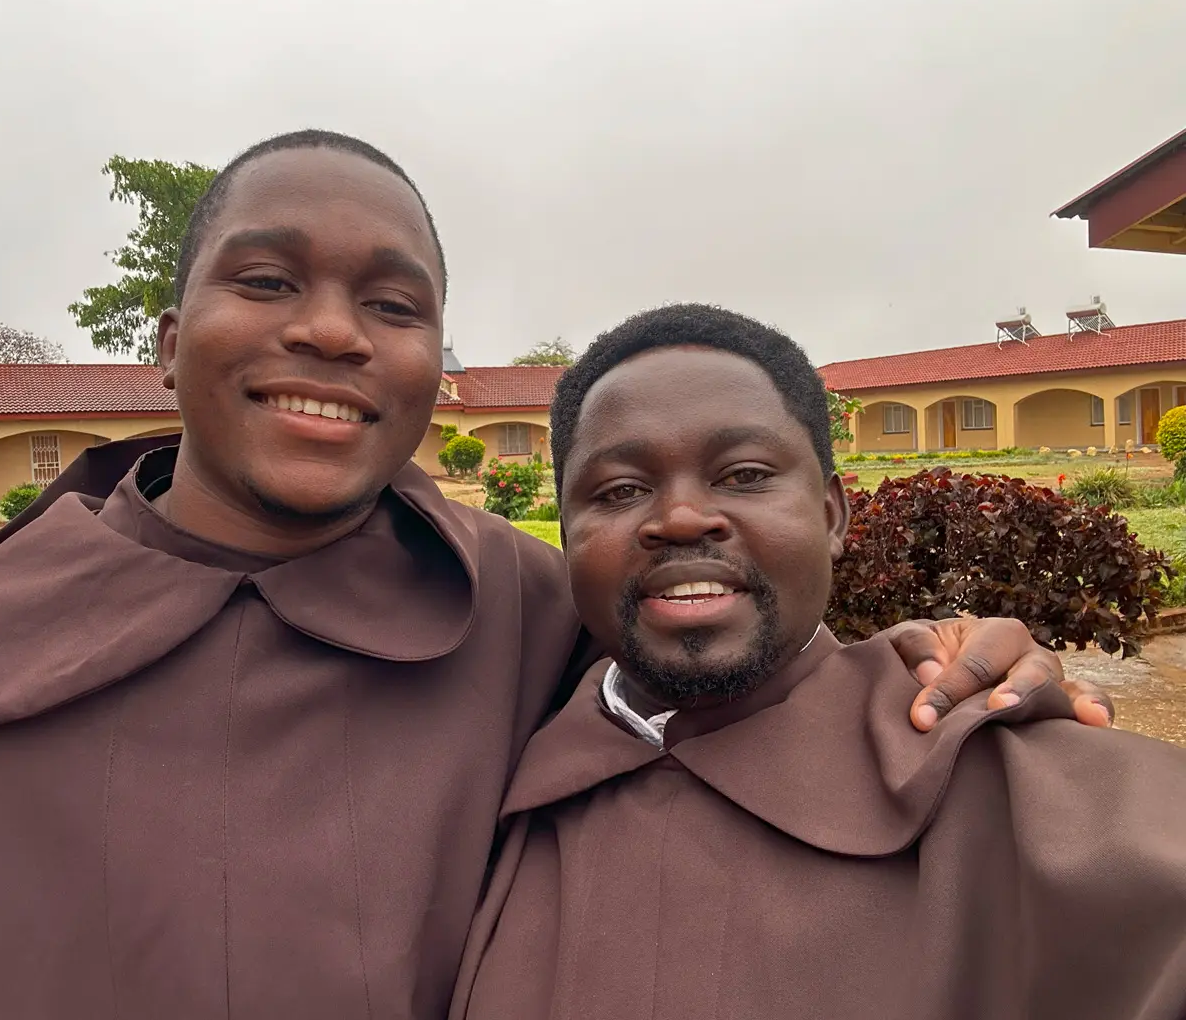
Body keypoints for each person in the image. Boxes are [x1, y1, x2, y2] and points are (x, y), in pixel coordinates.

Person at [0, 136, 1113, 1020]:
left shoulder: (525, 608)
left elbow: (753, 688)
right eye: (265, 280)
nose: (332, 332)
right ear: (165, 340)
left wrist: (946, 666)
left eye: (394, 306)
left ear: (434, 370)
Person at [449, 304, 1186, 1020]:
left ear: (833, 515)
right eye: (619, 490)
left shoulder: (1010, 787)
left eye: (743, 474)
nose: (680, 519)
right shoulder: (497, 788)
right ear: (566, 534)